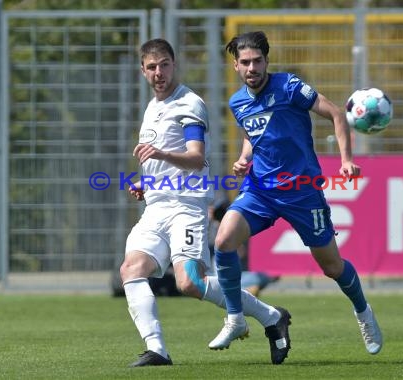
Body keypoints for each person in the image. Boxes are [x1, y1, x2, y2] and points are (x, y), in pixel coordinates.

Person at [120, 38, 292, 368]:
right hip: (156, 206)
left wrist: (159, 155)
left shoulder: (188, 104)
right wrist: (150, 180)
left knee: (190, 283)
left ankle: (271, 315)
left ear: (175, 65)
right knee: (131, 270)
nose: (159, 72)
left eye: (165, 65)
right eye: (152, 67)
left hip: (186, 207)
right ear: (143, 71)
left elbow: (196, 159)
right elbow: (167, 161)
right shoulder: (153, 107)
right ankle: (157, 350)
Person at [211, 31, 383, 356]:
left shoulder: (289, 87)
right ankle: (235, 317)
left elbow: (335, 113)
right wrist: (245, 157)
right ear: (236, 66)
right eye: (245, 62)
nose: (252, 67)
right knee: (223, 241)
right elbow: (253, 131)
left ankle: (363, 311)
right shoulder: (237, 102)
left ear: (266, 60)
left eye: (257, 61)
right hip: (261, 190)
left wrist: (347, 160)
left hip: (302, 192)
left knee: (332, 267)